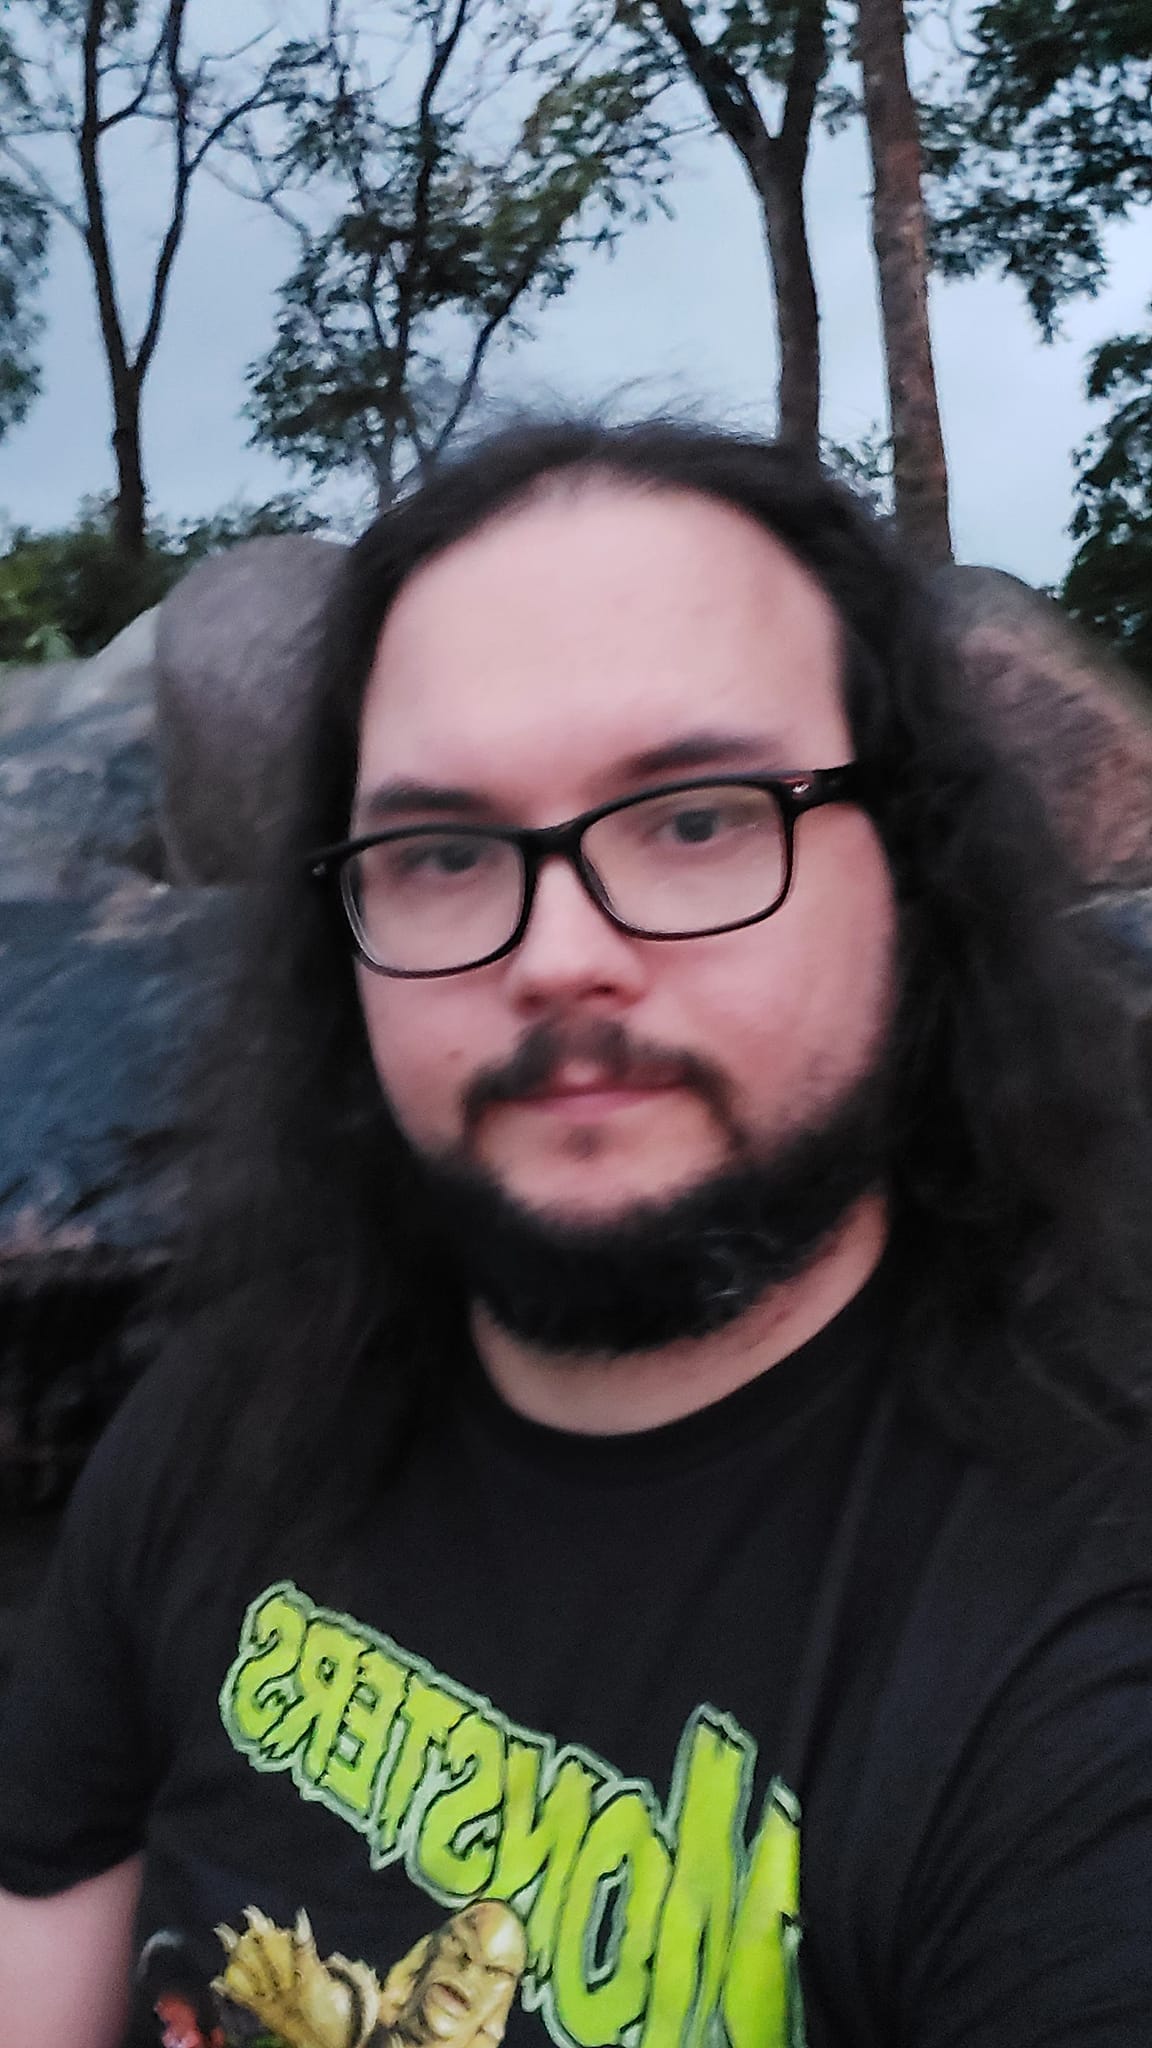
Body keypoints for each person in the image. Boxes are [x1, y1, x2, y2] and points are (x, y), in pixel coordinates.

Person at [1, 417, 1151, 2048]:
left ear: (911, 873)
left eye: (695, 817)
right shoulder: (216, 1430)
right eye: (448, 852)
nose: (557, 954)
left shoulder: (1078, 1654)